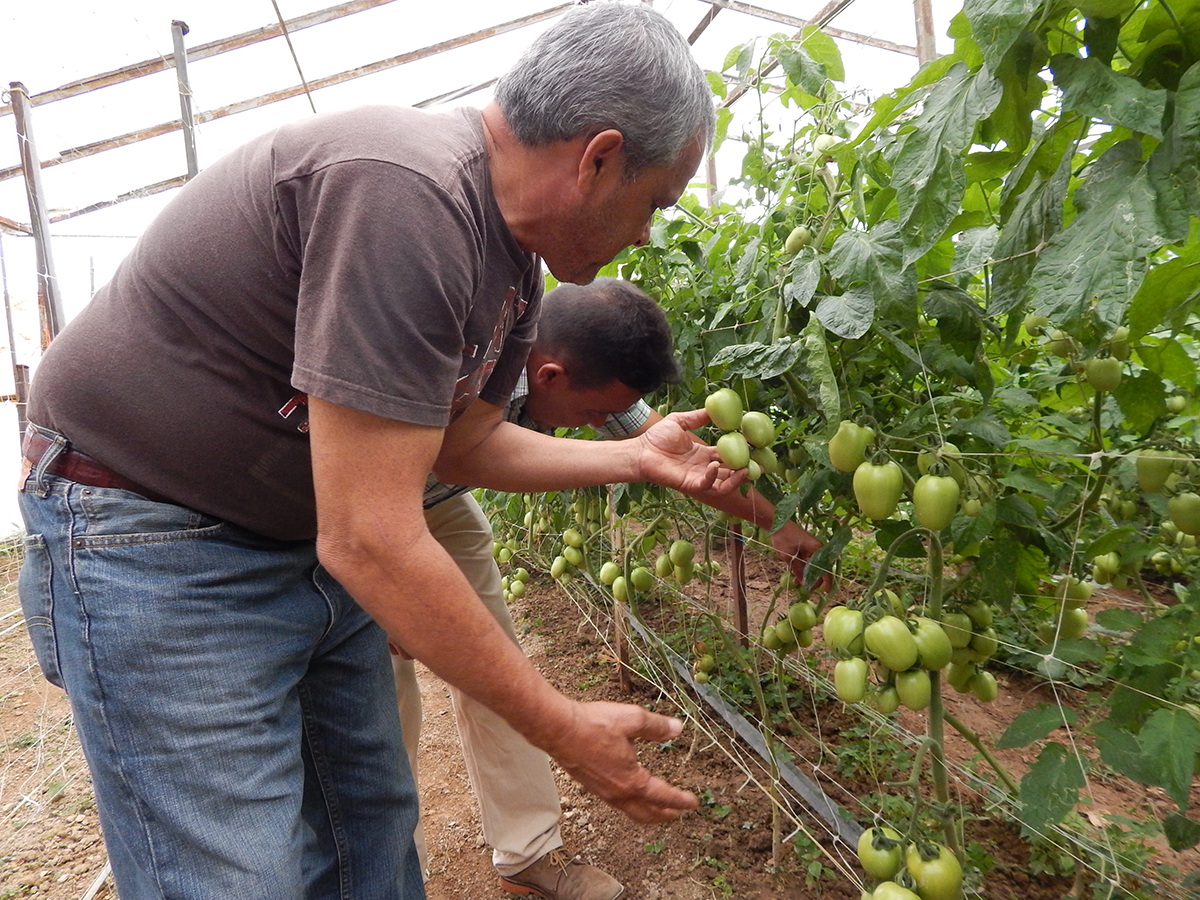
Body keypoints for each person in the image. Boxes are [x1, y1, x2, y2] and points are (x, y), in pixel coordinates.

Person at [15, 5, 725, 900]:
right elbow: (372, 538)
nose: (649, 233)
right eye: (655, 200)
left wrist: (639, 459)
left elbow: (464, 447)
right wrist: (562, 726)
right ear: (599, 158)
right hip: (151, 538)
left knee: (368, 836)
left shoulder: (511, 262)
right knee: (237, 876)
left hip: (288, 536)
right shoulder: (407, 192)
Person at [399, 278, 824, 899]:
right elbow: (401, 474)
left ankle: (529, 851)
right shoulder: (447, 351)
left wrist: (779, 523)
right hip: (346, 497)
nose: (604, 424)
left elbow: (683, 460)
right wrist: (380, 594)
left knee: (494, 660)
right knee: (378, 694)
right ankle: (389, 869)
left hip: (439, 502)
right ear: (548, 376)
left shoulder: (583, 371)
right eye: (597, 413)